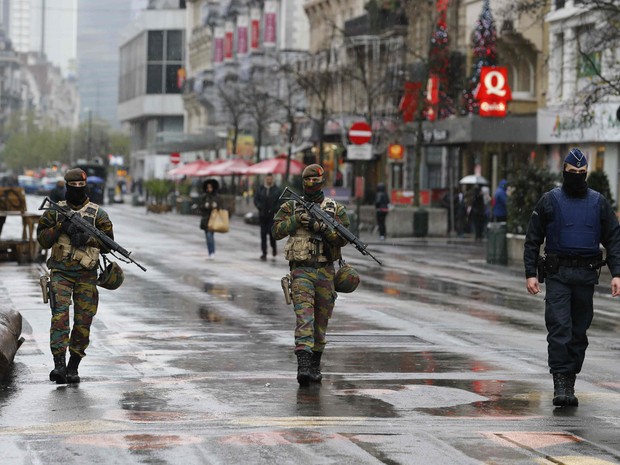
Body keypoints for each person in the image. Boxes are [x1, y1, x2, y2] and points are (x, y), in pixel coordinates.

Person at [524, 148, 620, 407]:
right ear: (564, 172)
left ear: (585, 173)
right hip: (558, 275)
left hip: (586, 276)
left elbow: (613, 238)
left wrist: (617, 273)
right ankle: (561, 382)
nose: (576, 176)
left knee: (578, 332)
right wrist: (530, 273)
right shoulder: (550, 200)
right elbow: (533, 239)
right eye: (572, 172)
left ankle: (570, 374)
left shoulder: (597, 202)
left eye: (581, 173)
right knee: (559, 328)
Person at [272, 164, 350, 386]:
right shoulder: (291, 207)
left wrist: (322, 227)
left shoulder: (335, 210)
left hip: (326, 271)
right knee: (304, 318)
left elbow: (344, 238)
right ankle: (303, 367)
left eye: (316, 181)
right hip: (301, 270)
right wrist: (296, 221)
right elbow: (276, 231)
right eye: (308, 181)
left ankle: (315, 365)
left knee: (321, 322)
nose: (312, 185)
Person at [37, 168, 114, 384]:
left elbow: (109, 244)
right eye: (74, 186)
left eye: (81, 186)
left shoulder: (98, 214)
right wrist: (62, 226)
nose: (78, 190)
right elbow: (43, 239)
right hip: (61, 272)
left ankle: (73, 366)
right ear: (67, 186)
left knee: (83, 321)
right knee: (59, 318)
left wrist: (86, 238)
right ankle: (59, 365)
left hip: (86, 275)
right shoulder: (54, 212)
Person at [253, 173, 282, 260]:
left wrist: (275, 209)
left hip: (272, 216)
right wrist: (259, 206)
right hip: (262, 215)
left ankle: (274, 248)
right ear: (265, 179)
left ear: (272, 179)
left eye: (270, 179)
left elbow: (280, 201)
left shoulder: (276, 190)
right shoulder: (261, 189)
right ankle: (264, 252)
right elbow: (256, 199)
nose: (269, 180)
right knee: (263, 234)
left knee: (271, 233)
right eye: (267, 179)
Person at [198, 178, 221, 259]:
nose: (209, 189)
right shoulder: (204, 197)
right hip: (206, 219)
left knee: (209, 235)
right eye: (208, 187)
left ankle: (212, 253)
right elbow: (200, 207)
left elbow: (221, 207)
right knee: (207, 236)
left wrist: (216, 206)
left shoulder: (217, 197)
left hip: (214, 219)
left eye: (210, 187)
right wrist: (205, 206)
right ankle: (210, 252)